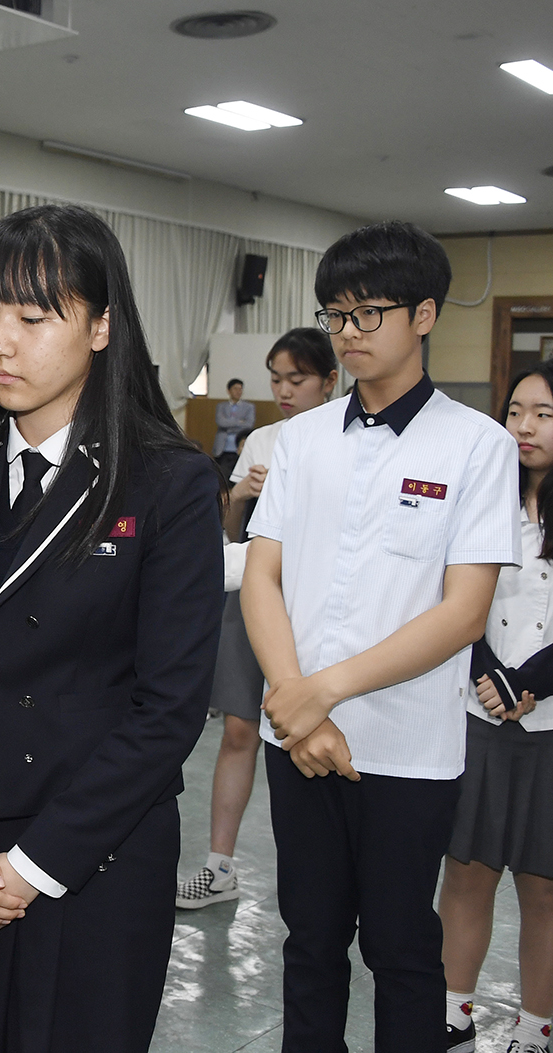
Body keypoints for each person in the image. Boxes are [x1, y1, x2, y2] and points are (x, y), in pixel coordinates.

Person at [0, 204, 223, 1053]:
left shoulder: (167, 480)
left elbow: (169, 706)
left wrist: (35, 866)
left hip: (89, 852)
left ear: (102, 326)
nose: (0, 342)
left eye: (34, 318)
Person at [241, 220, 521, 1052]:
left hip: (406, 748)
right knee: (310, 942)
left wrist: (319, 691)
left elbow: (463, 611)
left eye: (371, 313)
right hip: (295, 739)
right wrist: (299, 705)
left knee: (401, 947)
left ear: (425, 315)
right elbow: (263, 576)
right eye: (337, 315)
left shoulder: (478, 446)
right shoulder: (298, 440)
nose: (351, 332)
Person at [176, 327, 338, 910]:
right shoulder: (262, 440)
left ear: (329, 381)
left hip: (317, 607)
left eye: (298, 379)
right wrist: (241, 493)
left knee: (317, 737)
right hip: (252, 599)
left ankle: (331, 881)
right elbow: (224, 541)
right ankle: (219, 866)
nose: (286, 390)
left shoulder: (345, 438)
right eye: (278, 380)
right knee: (241, 729)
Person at [440, 363, 553, 1053]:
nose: (527, 426)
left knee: (542, 888)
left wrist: (536, 679)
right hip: (481, 718)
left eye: (544, 412)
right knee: (468, 874)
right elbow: (453, 593)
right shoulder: (483, 498)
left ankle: (538, 1026)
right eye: (516, 411)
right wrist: (491, 673)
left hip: (548, 726)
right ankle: (452, 1012)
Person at [212, 377, 255, 476]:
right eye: (235, 389)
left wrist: (229, 423)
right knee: (222, 475)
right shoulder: (221, 406)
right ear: (228, 391)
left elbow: (249, 424)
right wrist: (239, 422)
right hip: (222, 447)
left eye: (240, 389)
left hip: (240, 447)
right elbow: (220, 422)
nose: (238, 391)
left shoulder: (249, 407)